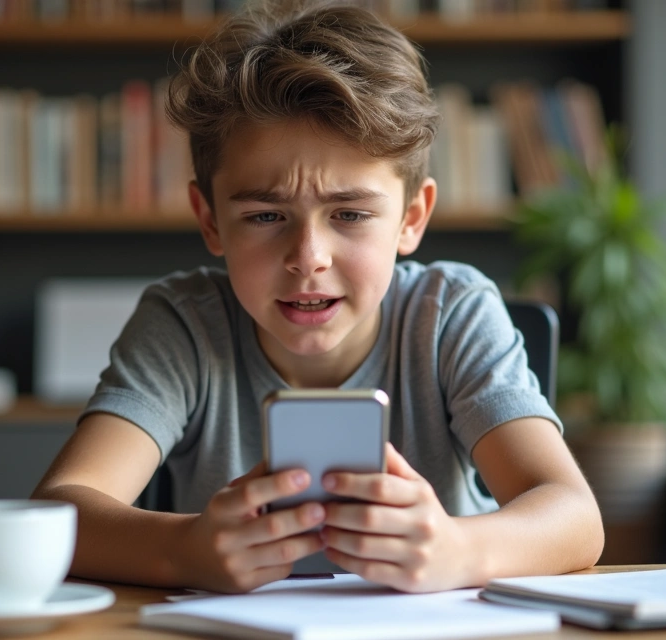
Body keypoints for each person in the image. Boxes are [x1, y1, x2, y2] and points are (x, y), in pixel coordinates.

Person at [32, 0, 603, 594]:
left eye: (351, 213)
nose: (309, 256)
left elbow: (576, 517)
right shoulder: (184, 324)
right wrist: (183, 551)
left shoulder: (450, 313)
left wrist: (460, 549)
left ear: (412, 219)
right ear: (210, 220)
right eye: (266, 214)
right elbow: (60, 511)